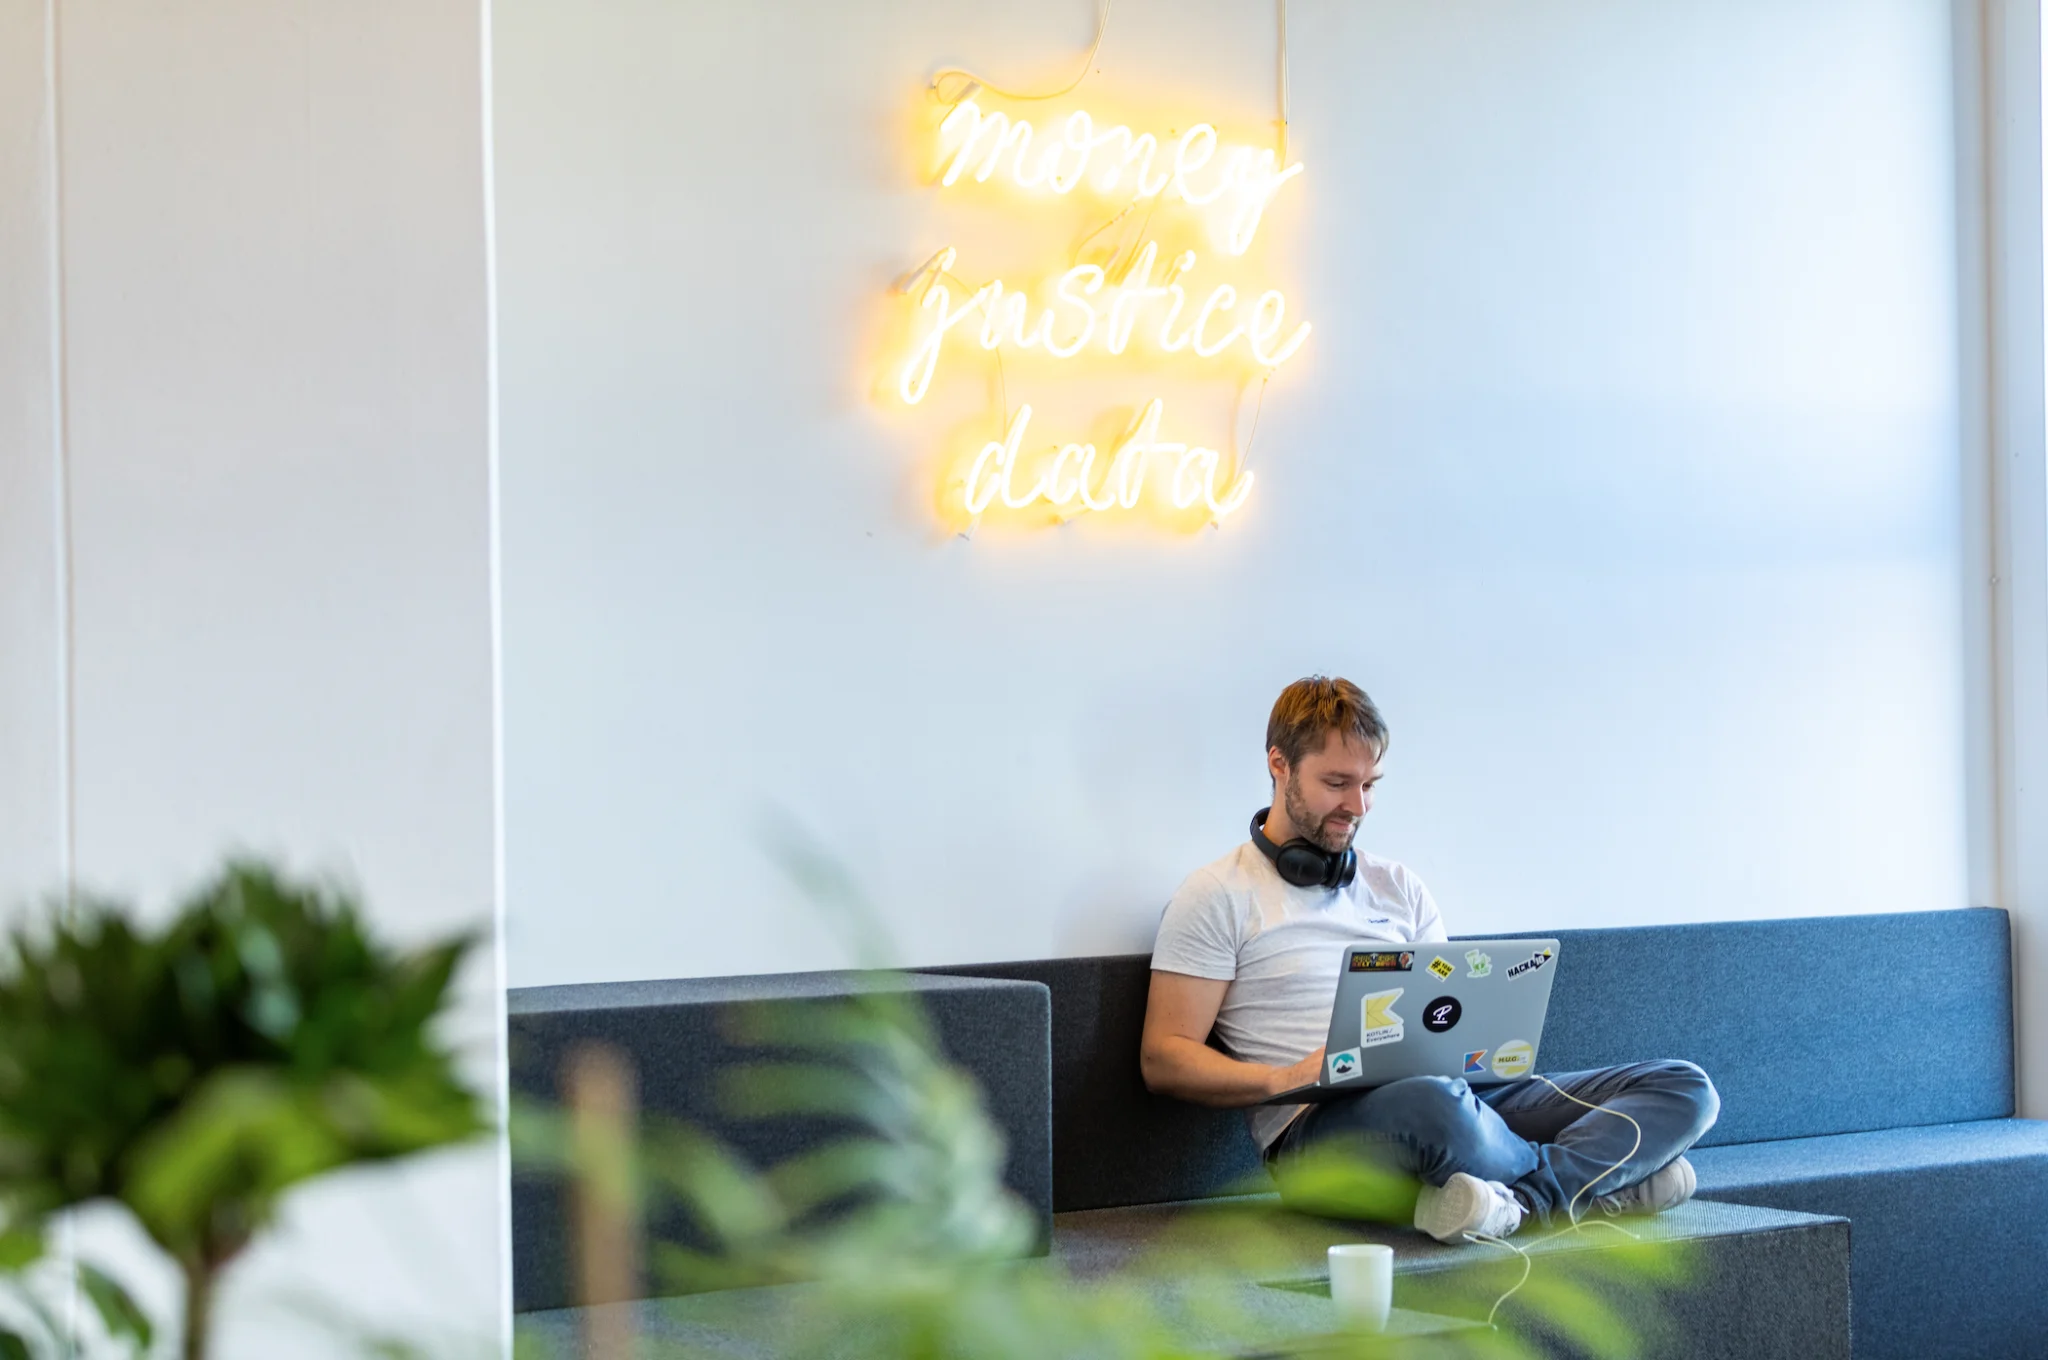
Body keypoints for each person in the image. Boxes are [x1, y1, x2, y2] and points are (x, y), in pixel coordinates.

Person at [1138, 676, 1720, 1243]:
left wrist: (1477, 1050)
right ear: (1279, 764)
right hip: (1321, 1134)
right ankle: (1601, 1187)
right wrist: (1286, 1075)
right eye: (1337, 782)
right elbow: (1164, 1058)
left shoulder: (1398, 887)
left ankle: (1522, 1202)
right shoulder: (1216, 895)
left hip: (1463, 1098)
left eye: (1370, 784)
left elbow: (1448, 1016)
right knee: (1432, 1103)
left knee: (1683, 1087)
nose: (1357, 805)